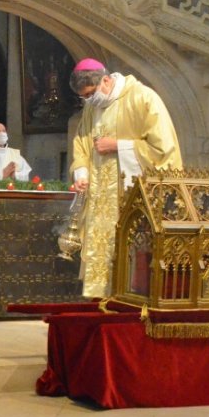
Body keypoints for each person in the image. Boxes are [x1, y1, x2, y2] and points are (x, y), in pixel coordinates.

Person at [69, 58, 182, 298]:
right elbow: (82, 141)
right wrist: (82, 172)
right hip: (100, 197)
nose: (89, 101)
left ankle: (125, 296)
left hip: (129, 197)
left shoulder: (143, 98)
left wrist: (119, 145)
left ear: (106, 80)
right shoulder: (92, 108)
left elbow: (165, 151)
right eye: (84, 97)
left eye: (91, 93)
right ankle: (98, 297)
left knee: (126, 253)